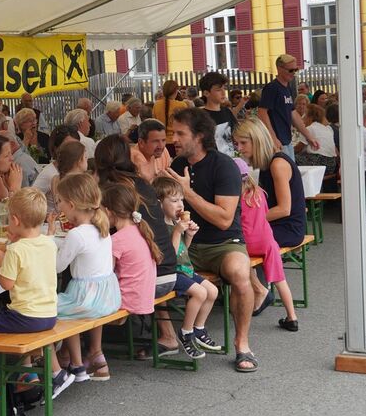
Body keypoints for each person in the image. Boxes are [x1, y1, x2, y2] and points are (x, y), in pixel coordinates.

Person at [169, 108, 257, 373]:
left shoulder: (224, 165)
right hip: (187, 243)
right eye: (173, 133)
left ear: (199, 136)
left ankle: (242, 344)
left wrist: (186, 192)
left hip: (223, 243)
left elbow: (224, 219)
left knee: (240, 274)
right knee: (153, 268)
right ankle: (166, 337)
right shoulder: (176, 165)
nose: (174, 139)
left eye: (180, 133)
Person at [93, 135, 189, 359]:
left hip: (153, 275)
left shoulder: (112, 188)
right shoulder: (141, 182)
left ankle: (87, 349)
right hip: (168, 266)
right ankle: (167, 335)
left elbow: (101, 229)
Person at [0, 188, 58, 411]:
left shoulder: (16, 251)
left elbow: (6, 284)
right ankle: (27, 373)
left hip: (26, 315)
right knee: (14, 327)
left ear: (16, 220)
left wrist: (0, 259)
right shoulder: (49, 243)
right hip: (49, 315)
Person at [53, 172, 121, 382]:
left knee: (55, 309)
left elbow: (57, 266)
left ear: (71, 205)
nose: (59, 206)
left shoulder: (77, 234)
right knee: (68, 305)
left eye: (60, 201)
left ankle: (76, 364)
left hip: (86, 298)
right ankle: (85, 356)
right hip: (108, 296)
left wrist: (49, 241)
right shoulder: (102, 226)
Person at [151, 177, 221, 358]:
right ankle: (186, 332)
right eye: (174, 201)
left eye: (181, 200)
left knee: (212, 291)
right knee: (200, 293)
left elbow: (183, 251)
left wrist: (188, 235)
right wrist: (177, 232)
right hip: (172, 273)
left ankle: (199, 328)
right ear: (160, 203)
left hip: (185, 270)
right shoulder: (160, 227)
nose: (180, 205)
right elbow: (170, 258)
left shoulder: (175, 223)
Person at [234, 159, 299, 330]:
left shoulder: (235, 197)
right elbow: (264, 215)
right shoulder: (260, 193)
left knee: (237, 258)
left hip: (247, 242)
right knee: (280, 279)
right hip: (268, 241)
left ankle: (257, 292)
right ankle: (292, 317)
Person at [233, 119, 307, 248]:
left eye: (243, 143)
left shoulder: (277, 164)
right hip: (277, 224)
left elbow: (284, 209)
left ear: (258, 140)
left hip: (288, 229)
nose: (239, 148)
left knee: (235, 241)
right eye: (237, 144)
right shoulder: (269, 163)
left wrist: (249, 219)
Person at [102, 181, 161, 322]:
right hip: (143, 298)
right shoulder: (140, 230)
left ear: (108, 212)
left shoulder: (117, 240)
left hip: (127, 301)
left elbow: (105, 274)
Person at [257, 54, 319, 160]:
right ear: (279, 69)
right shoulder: (272, 88)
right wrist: (273, 138)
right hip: (277, 141)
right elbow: (262, 113)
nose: (293, 73)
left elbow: (293, 113)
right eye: (290, 70)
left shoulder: (287, 88)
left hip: (286, 140)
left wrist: (309, 136)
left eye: (295, 70)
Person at [44, 141, 88, 223]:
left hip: (63, 224)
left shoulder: (55, 179)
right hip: (79, 223)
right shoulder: (84, 182)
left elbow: (60, 211)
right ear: (79, 161)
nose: (87, 161)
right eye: (85, 158)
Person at [32, 125, 81, 195]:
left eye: (76, 145)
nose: (72, 150)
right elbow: (31, 198)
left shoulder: (78, 170)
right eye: (67, 146)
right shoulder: (49, 173)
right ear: (55, 148)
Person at [295, 104, 338, 178]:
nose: (302, 118)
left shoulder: (310, 128)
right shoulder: (328, 129)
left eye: (305, 115)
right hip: (331, 164)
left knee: (289, 159)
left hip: (318, 162)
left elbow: (298, 148)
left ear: (310, 117)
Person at [199, 72, 237, 157]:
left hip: (231, 157)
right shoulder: (201, 117)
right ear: (206, 93)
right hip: (212, 160)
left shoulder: (227, 112)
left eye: (224, 88)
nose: (223, 93)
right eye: (218, 90)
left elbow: (236, 133)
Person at [153, 80, 188, 156]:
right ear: (176, 91)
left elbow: (154, 123)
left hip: (161, 142)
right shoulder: (182, 105)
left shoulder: (156, 105)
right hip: (178, 141)